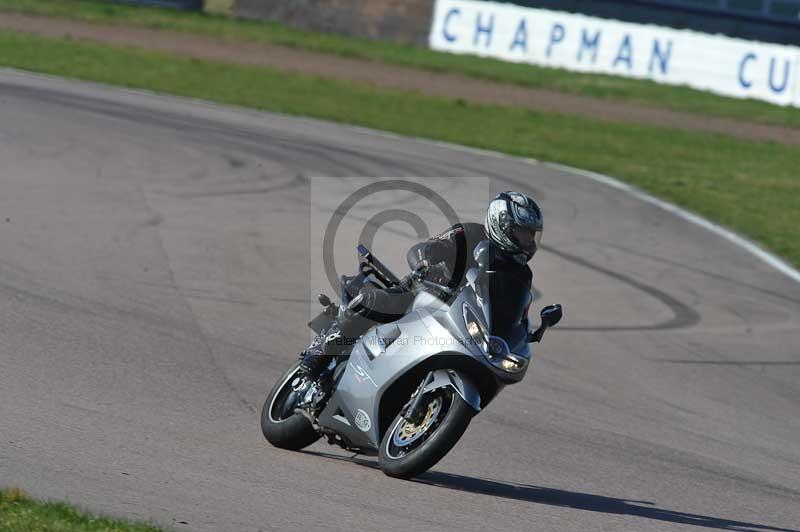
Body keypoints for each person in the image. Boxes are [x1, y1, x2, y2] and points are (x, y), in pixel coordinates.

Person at [298, 190, 544, 382]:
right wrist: (426, 263)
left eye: (532, 236)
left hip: (462, 324)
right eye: (522, 234)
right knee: (375, 302)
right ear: (501, 224)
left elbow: (515, 310)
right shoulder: (469, 233)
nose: (529, 242)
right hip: (424, 293)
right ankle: (319, 354)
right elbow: (426, 248)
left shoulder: (522, 274)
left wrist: (521, 332)